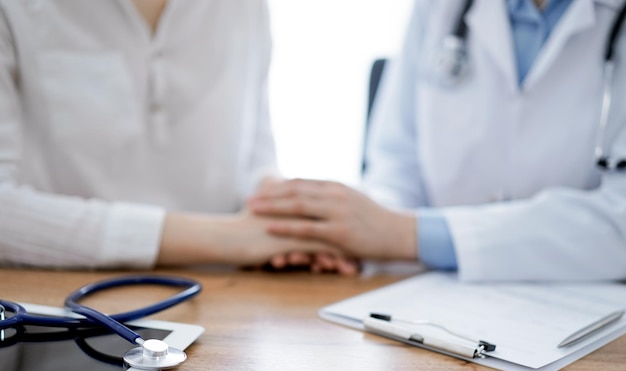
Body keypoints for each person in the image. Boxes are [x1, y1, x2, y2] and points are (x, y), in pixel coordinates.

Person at [248, 0, 626, 281]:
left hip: (592, 317)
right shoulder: (440, 7)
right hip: (436, 300)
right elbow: (397, 166)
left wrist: (404, 235)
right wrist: (351, 237)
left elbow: (619, 220)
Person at [0, 0, 342, 269]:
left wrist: (286, 219)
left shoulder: (244, 6)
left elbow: (253, 158)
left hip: (225, 296)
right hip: (59, 295)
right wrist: (227, 240)